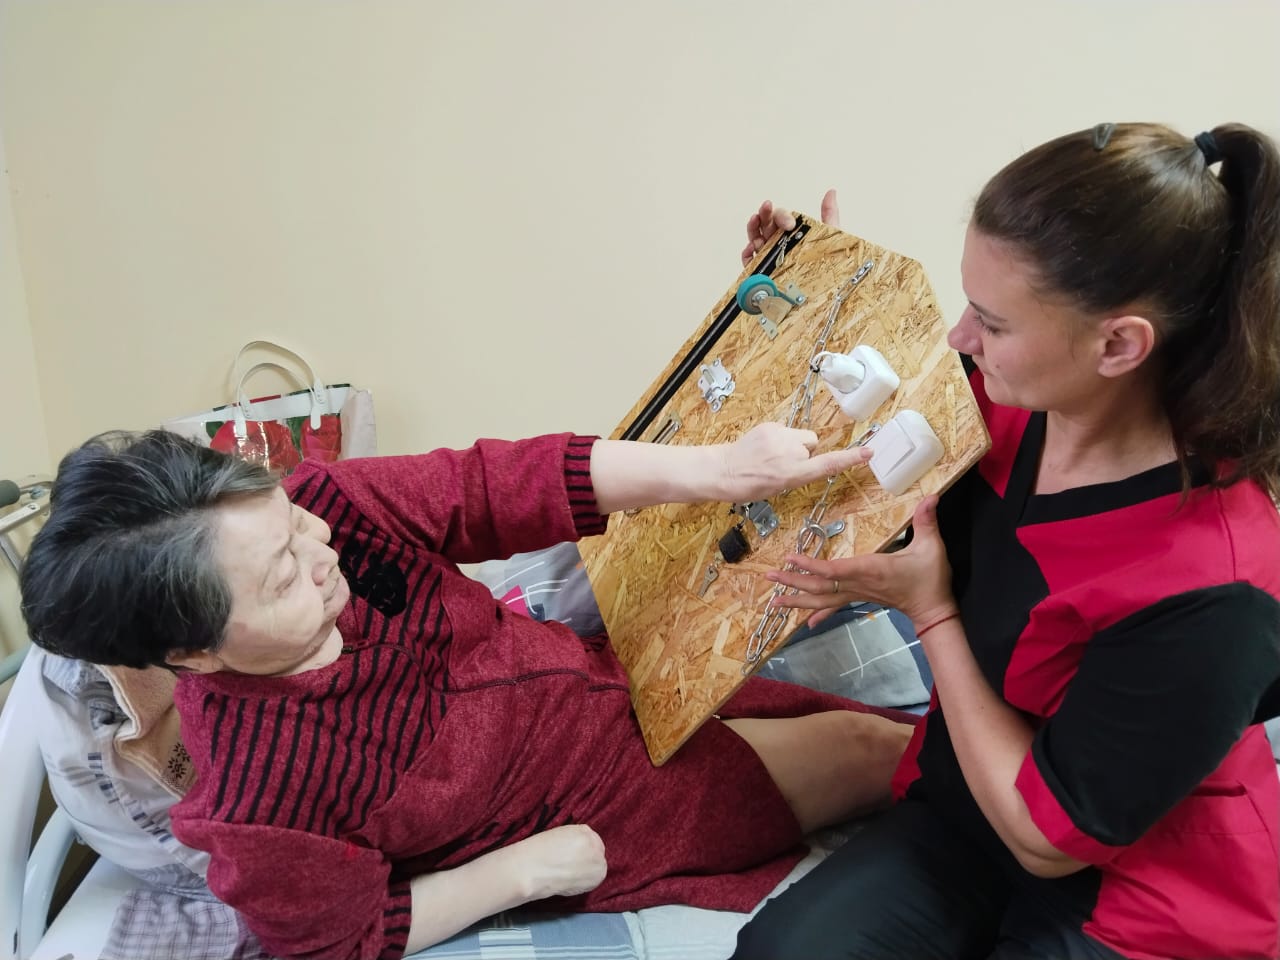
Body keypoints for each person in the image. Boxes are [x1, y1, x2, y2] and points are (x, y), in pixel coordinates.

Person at [19, 422, 915, 960]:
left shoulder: (332, 508)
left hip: (608, 683)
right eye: (284, 577)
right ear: (194, 655)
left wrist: (718, 468)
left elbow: (491, 488)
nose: (321, 552)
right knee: (881, 752)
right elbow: (339, 941)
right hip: (599, 807)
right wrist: (516, 875)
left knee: (880, 730)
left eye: (293, 522)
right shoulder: (258, 802)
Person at [732, 122, 1280, 959]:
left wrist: (932, 611)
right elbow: (849, 443)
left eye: (992, 322)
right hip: (967, 808)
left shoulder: (1219, 582)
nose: (959, 338)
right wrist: (796, 320)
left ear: (1119, 344)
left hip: (1138, 891)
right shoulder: (997, 403)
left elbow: (1049, 840)